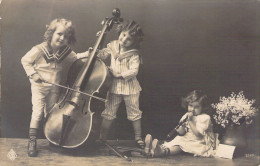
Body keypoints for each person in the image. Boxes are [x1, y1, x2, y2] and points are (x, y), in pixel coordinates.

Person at [21, 18, 88, 157]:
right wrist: (33, 74)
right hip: (39, 86)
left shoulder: (65, 51)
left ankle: (50, 137)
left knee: (51, 112)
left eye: (66, 36)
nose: (62, 38)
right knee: (38, 112)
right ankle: (32, 141)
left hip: (54, 88)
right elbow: (25, 60)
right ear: (51, 33)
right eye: (59, 34)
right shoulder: (40, 49)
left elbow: (76, 58)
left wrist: (89, 54)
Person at [96, 20, 145, 148]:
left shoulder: (134, 54)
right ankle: (102, 138)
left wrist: (119, 75)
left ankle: (138, 138)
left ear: (134, 42)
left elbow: (134, 71)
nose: (124, 39)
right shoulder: (112, 45)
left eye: (129, 39)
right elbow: (102, 56)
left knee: (134, 112)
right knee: (109, 112)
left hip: (130, 87)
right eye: (123, 35)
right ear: (120, 32)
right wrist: (98, 45)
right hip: (114, 87)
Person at [144, 90, 219, 157]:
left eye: (196, 107)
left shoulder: (205, 118)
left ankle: (162, 152)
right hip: (187, 138)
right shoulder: (186, 115)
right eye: (190, 106)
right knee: (177, 141)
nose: (192, 109)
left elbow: (198, 134)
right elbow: (183, 132)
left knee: (181, 145)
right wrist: (181, 130)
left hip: (199, 142)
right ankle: (150, 148)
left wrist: (191, 121)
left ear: (203, 107)